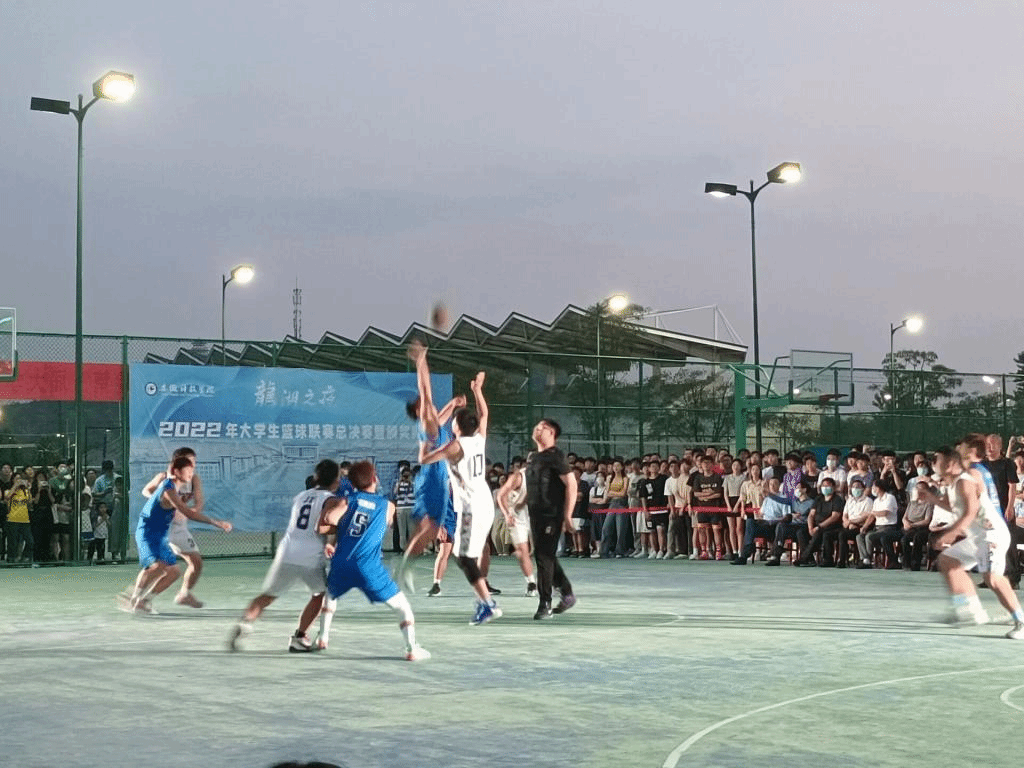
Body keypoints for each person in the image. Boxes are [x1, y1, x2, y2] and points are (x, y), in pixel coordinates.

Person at [318, 460, 430, 660]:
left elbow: (330, 519)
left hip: (342, 563)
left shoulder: (347, 501)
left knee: (330, 595)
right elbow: (386, 522)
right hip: (368, 567)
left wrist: (340, 518)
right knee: (403, 607)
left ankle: (323, 637)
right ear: (374, 479)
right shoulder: (387, 506)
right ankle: (411, 648)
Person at [229, 460, 342, 653]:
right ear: (336, 481)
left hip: (287, 551)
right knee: (319, 596)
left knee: (267, 596)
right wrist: (335, 537)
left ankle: (245, 623)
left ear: (316, 478)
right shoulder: (332, 500)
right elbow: (325, 525)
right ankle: (299, 637)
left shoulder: (301, 496)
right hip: (310, 556)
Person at [418, 371, 502, 625]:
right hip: (485, 502)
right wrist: (478, 391)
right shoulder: (479, 438)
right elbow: (484, 414)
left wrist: (425, 439)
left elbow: (424, 459)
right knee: (469, 554)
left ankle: (487, 604)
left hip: (470, 507)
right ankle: (484, 600)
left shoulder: (455, 446)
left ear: (457, 426)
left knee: (463, 557)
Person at [920, 446, 1024, 638]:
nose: (933, 463)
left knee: (993, 579)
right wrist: (932, 498)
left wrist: (951, 534)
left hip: (991, 536)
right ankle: (972, 610)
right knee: (947, 561)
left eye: (937, 459)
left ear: (950, 464)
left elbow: (970, 512)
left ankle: (1021, 621)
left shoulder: (964, 482)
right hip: (977, 538)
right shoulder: (953, 484)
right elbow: (954, 507)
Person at [119, 457, 231, 614]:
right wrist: (216, 522)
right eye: (188, 471)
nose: (191, 474)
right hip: (148, 532)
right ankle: (134, 599)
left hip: (161, 534)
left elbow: (193, 506)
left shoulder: (180, 485)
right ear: (177, 472)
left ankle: (144, 601)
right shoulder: (168, 489)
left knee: (174, 572)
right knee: (157, 567)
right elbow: (188, 513)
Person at [398, 341, 465, 592]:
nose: (430, 405)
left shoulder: (435, 425)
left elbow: (443, 415)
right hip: (433, 479)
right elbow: (425, 389)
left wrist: (454, 403)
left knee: (430, 529)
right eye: (425, 404)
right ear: (420, 409)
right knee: (429, 529)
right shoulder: (427, 420)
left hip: (436, 480)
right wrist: (421, 361)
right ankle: (403, 568)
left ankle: (405, 567)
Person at [141, 447, 213, 608]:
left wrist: (190, 511)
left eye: (194, 462)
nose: (193, 465)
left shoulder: (194, 479)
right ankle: (139, 598)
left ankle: (184, 594)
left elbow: (199, 502)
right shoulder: (164, 478)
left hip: (180, 528)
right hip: (163, 527)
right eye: (189, 461)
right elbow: (146, 490)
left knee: (196, 563)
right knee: (164, 568)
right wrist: (162, 500)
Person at [524, 418, 578, 620]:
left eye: (543, 427)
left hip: (551, 514)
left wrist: (567, 515)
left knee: (544, 558)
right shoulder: (533, 457)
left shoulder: (557, 456)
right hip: (535, 514)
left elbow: (571, 484)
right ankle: (567, 593)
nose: (538, 429)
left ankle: (544, 603)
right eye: (537, 426)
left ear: (552, 433)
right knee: (544, 555)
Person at [495, 465, 539, 595]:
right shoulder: (518, 477)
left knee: (544, 552)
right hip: (517, 516)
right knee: (522, 551)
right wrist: (507, 514)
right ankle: (531, 583)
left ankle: (553, 581)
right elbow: (501, 495)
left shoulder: (551, 475)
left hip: (538, 515)